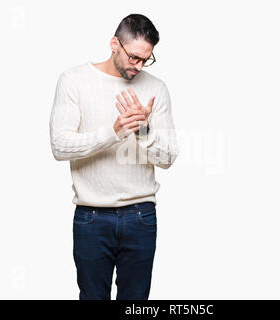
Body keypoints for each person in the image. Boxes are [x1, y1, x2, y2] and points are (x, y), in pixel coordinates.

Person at [48, 13, 179, 300]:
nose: (139, 66)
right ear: (114, 44)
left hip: (141, 215)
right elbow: (60, 146)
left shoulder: (156, 88)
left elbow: (169, 157)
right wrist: (114, 131)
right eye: (134, 57)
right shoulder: (73, 80)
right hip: (91, 217)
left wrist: (143, 131)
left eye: (146, 59)